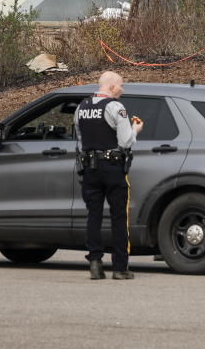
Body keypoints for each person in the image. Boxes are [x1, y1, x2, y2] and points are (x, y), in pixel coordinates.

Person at [74, 71, 143, 280]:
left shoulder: (82, 107)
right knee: (118, 217)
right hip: (112, 168)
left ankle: (95, 262)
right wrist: (135, 129)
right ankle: (120, 268)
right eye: (121, 85)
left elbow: (79, 140)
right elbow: (125, 142)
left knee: (93, 216)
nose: (122, 89)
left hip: (89, 168)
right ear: (112, 87)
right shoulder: (115, 107)